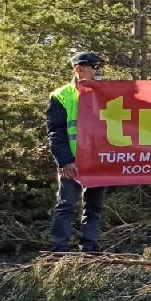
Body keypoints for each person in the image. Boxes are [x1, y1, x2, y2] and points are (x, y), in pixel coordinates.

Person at [48, 52, 109, 252]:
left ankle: (89, 249)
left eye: (99, 66)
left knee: (94, 208)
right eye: (94, 66)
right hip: (72, 161)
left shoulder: (106, 93)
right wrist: (65, 162)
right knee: (66, 205)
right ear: (78, 69)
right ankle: (59, 251)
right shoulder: (61, 96)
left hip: (97, 160)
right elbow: (56, 133)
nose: (98, 70)